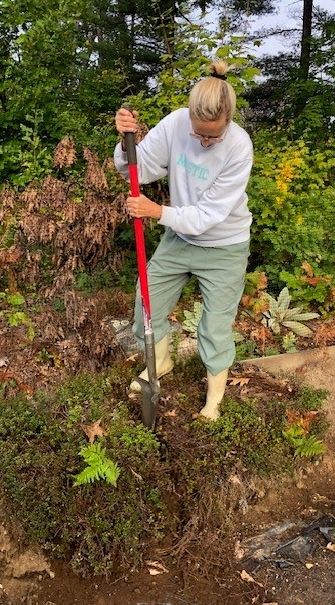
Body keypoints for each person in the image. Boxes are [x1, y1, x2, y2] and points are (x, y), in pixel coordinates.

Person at [114, 60, 253, 420]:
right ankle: (160, 362)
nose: (205, 141)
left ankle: (215, 399)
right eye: (199, 134)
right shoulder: (177, 123)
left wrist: (157, 212)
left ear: (228, 122)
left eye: (213, 136)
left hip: (224, 245)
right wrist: (125, 140)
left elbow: (208, 216)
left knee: (215, 324)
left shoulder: (239, 147)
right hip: (180, 237)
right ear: (190, 117)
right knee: (148, 300)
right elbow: (138, 168)